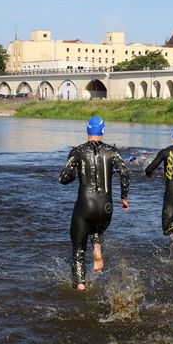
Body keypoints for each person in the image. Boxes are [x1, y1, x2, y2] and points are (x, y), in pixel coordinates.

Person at [59, 116, 130, 291]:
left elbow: (63, 178)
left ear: (87, 130)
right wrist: (124, 197)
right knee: (97, 227)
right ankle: (97, 247)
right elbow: (125, 173)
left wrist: (75, 174)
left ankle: (81, 287)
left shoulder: (77, 151)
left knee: (78, 251)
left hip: (85, 205)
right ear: (103, 131)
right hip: (106, 207)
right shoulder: (113, 152)